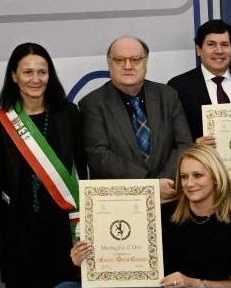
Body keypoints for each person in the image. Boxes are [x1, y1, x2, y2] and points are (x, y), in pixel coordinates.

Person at [0, 43, 86, 288]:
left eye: (42, 72)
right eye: (27, 72)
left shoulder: (68, 114)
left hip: (65, 225)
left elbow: (82, 165)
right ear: (14, 76)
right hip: (22, 227)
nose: (35, 79)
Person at [73, 145, 231, 288]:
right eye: (184, 177)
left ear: (216, 178)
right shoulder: (160, 216)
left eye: (198, 175)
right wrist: (86, 261)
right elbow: (125, 260)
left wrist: (192, 283)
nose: (189, 183)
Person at [80, 36, 191, 198]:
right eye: (119, 60)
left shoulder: (168, 96)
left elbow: (183, 143)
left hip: (169, 193)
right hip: (121, 201)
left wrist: (166, 178)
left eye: (135, 59)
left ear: (146, 62)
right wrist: (150, 185)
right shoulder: (92, 103)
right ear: (109, 64)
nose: (128, 66)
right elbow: (98, 155)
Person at [168, 19, 231, 141]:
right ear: (199, 49)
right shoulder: (179, 87)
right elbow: (172, 136)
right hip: (201, 159)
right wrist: (194, 147)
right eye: (211, 44)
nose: (219, 51)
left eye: (225, 45)